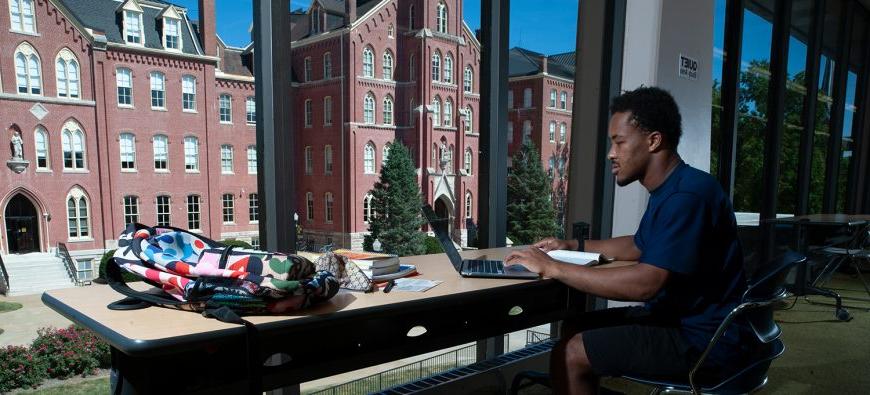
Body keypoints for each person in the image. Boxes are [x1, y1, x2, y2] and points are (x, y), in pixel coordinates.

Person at [505, 87, 748, 394]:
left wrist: (554, 268)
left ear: (653, 140)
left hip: (703, 341)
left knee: (573, 352)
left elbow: (646, 283)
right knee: (575, 328)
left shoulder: (686, 197)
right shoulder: (678, 187)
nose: (611, 153)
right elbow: (639, 244)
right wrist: (572, 246)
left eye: (619, 142)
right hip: (684, 320)